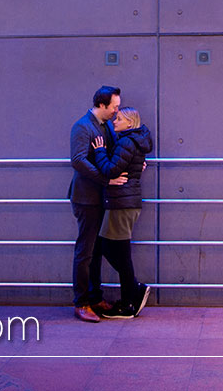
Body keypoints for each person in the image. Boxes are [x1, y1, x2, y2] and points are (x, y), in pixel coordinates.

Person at [67, 86, 127, 323]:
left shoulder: (103, 126)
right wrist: (106, 179)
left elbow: (111, 155)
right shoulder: (82, 127)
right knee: (85, 252)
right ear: (102, 105)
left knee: (95, 251)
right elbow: (78, 161)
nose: (116, 110)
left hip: (99, 197)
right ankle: (81, 303)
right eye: (114, 106)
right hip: (86, 199)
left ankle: (94, 297)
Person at [91, 106, 154, 319]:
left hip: (122, 203)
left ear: (129, 122)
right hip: (125, 202)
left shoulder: (126, 142)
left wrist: (99, 152)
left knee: (110, 248)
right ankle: (131, 293)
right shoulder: (134, 140)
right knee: (112, 248)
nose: (114, 121)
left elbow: (110, 170)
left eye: (118, 119)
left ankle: (131, 297)